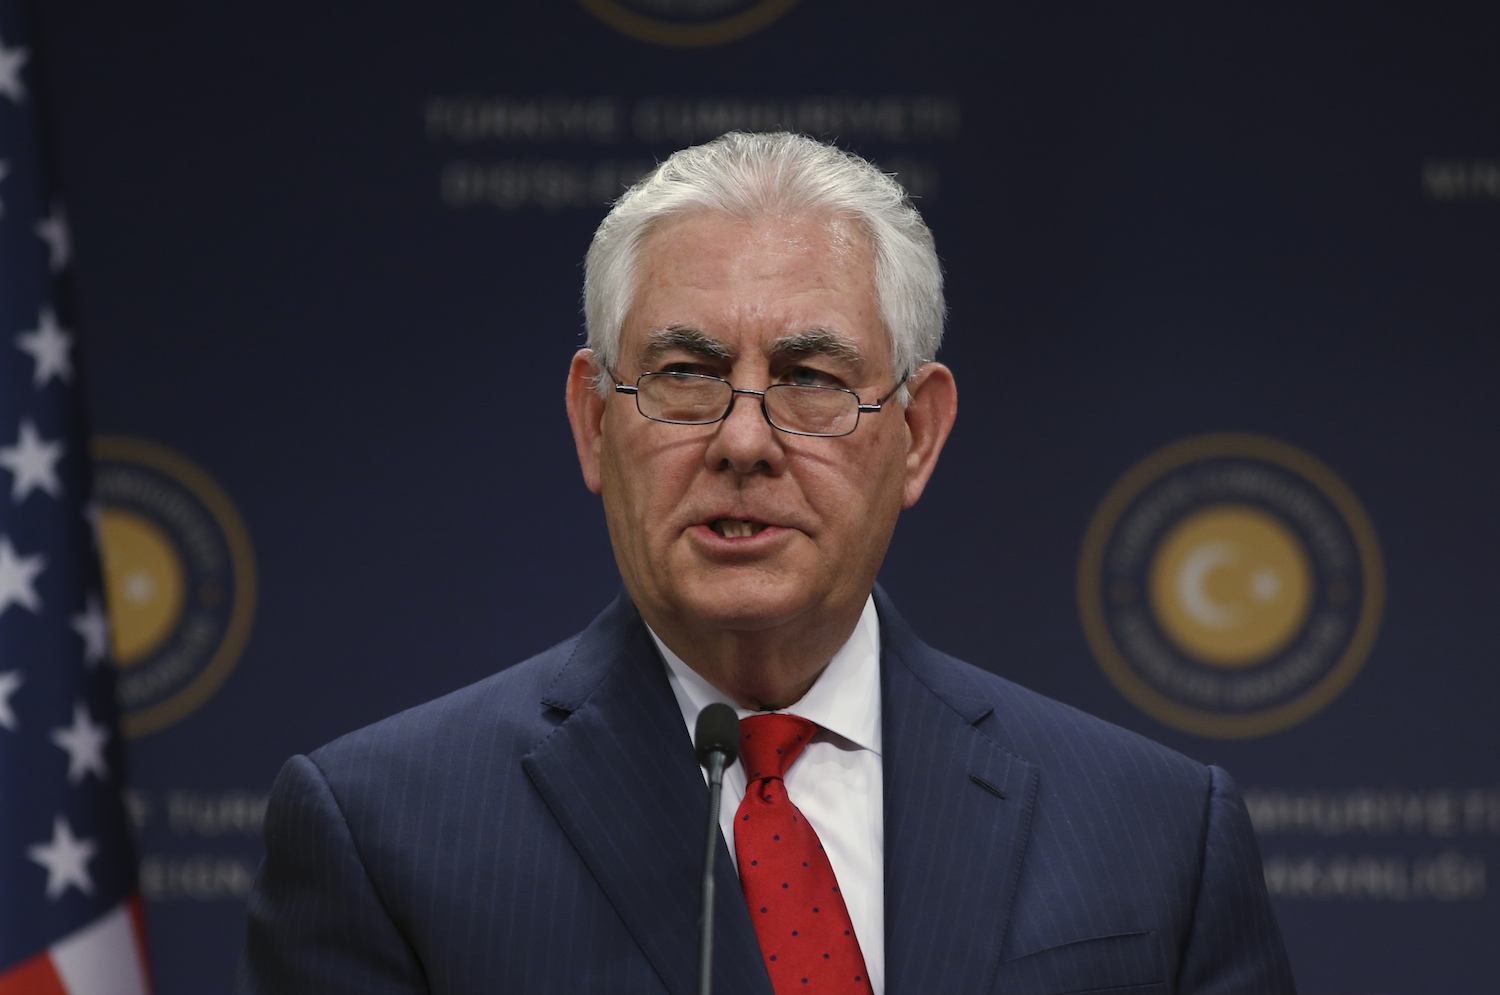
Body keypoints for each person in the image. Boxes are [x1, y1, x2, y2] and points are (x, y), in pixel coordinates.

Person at [239, 132, 1295, 995]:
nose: (743, 441)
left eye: (810, 378)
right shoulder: (384, 833)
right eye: (685, 374)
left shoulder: (1156, 830)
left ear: (918, 434)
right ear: (593, 423)